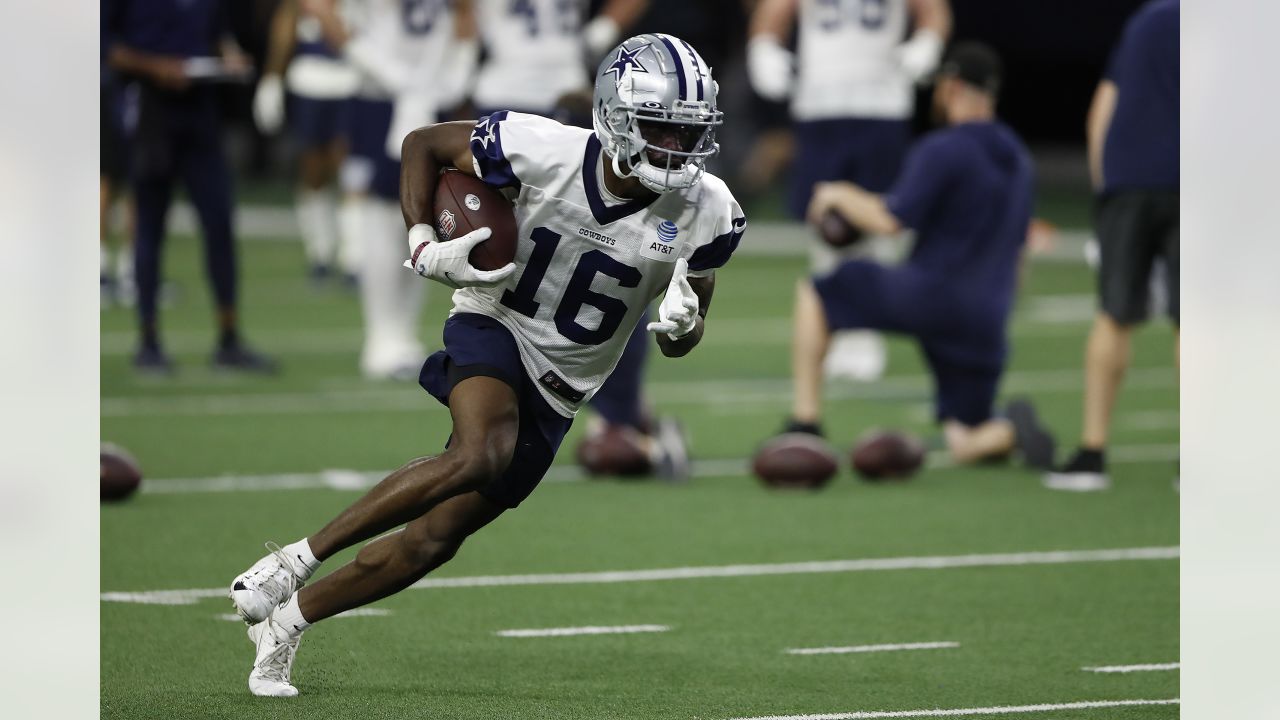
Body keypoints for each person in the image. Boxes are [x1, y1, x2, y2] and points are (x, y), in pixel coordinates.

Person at [226, 34, 745, 697]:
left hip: (565, 382)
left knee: (433, 542)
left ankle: (284, 626)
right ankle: (291, 562)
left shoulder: (709, 209)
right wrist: (420, 241)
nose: (676, 150)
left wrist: (686, 325)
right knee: (481, 452)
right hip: (495, 318)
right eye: (660, 129)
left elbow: (684, 330)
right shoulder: (544, 148)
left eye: (688, 134)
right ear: (616, 116)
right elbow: (423, 144)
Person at [772, 42, 1054, 468]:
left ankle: (805, 424)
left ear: (952, 87)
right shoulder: (1018, 157)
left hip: (932, 294)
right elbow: (1019, 251)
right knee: (966, 438)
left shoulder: (943, 148)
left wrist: (839, 194)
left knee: (818, 292)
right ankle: (1008, 431)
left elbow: (890, 220)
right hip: (988, 315)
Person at [473, 0, 691, 479]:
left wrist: (603, 33)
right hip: (500, 93)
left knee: (612, 257)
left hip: (571, 96)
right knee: (514, 263)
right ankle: (521, 403)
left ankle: (620, 413)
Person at [748, 0, 951, 382]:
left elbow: (933, 10)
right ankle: (835, 323)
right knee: (826, 225)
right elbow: (774, 10)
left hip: (882, 101)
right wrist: (762, 45)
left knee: (879, 219)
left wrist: (928, 42)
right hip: (821, 101)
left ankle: (868, 329)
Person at [301, 0, 479, 379]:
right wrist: (381, 67)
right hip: (379, 94)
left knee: (426, 213)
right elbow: (319, 8)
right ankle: (380, 336)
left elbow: (466, 11)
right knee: (384, 210)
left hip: (433, 92)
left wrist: (459, 70)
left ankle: (403, 335)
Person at [1046, 0, 1179, 492]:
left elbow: (1100, 111)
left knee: (1113, 313)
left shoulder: (1146, 20)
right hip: (1197, 177)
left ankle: (1091, 452)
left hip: (1129, 180)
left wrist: (1108, 192)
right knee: (1196, 322)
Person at [105, 0, 277, 374]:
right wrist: (155, 66)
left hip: (200, 111)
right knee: (149, 226)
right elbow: (105, 46)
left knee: (220, 224)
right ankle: (148, 340)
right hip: (150, 110)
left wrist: (229, 55)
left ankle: (229, 339)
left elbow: (217, 35)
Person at [253, 0, 359, 285]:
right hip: (310, 81)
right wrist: (272, 78)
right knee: (313, 170)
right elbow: (285, 24)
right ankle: (320, 252)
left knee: (351, 170)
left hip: (352, 80)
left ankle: (353, 255)